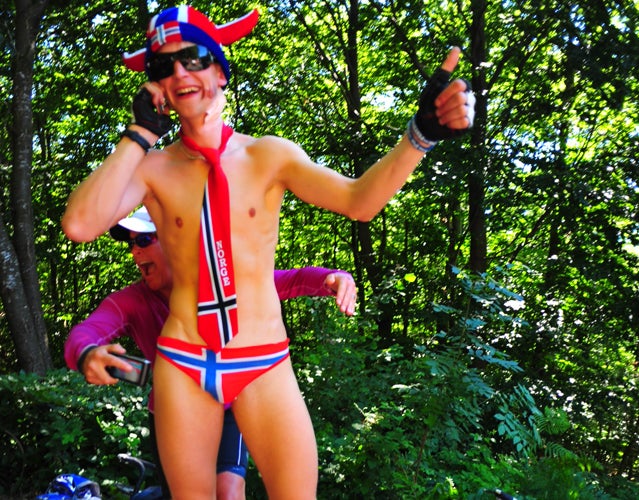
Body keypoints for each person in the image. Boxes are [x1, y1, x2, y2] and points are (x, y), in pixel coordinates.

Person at [61, 5, 474, 498]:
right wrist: (140, 134)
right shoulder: (151, 169)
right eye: (161, 66)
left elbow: (359, 202)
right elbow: (81, 224)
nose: (178, 73)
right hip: (183, 361)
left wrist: (420, 134)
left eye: (192, 58)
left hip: (263, 361)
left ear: (219, 68)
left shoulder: (268, 155)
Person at [64, 206, 357, 499]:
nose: (135, 253)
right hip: (172, 413)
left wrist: (335, 277)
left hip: (228, 404)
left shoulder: (221, 285)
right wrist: (87, 354)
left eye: (143, 241)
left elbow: (288, 280)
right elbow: (85, 332)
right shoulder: (132, 302)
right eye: (131, 244)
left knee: (228, 492)